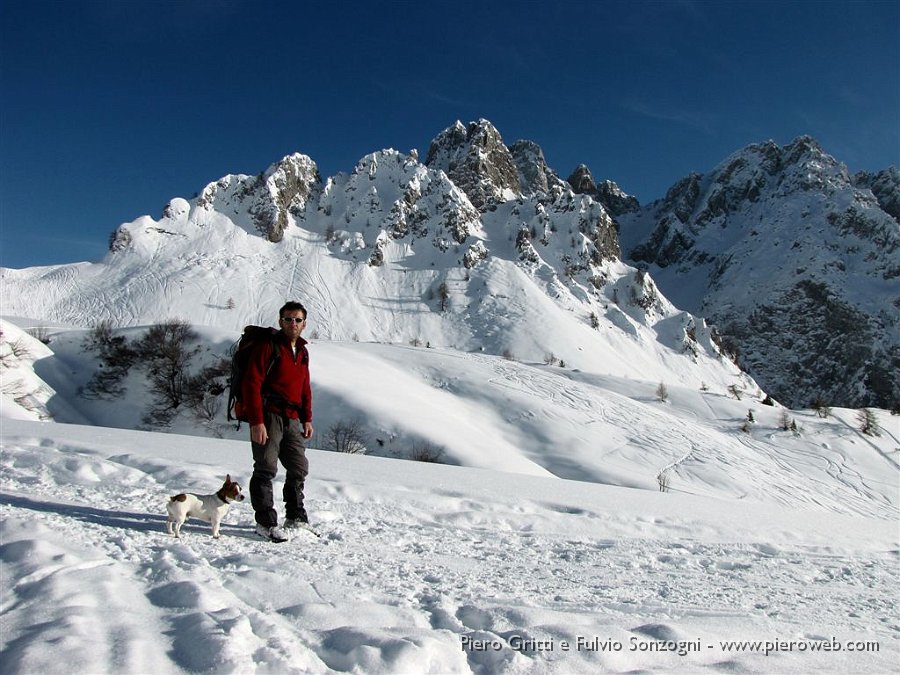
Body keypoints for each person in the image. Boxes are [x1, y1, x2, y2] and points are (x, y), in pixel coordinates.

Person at [242, 301, 314, 542]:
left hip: (293, 418)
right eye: (287, 319)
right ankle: (265, 523)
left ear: (304, 324)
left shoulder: (302, 352)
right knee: (265, 467)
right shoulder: (268, 346)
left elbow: (304, 388)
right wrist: (256, 421)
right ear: (280, 321)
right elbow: (251, 383)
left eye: (297, 320)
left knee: (298, 468)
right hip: (269, 414)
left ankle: (295, 517)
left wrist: (307, 418)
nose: (292, 323)